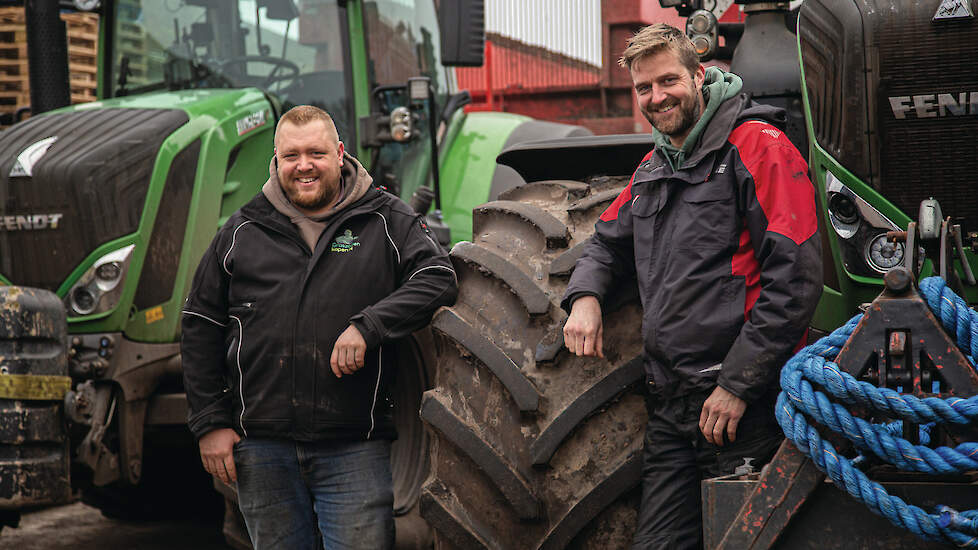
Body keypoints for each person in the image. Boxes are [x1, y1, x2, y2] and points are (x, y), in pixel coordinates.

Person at [561, 24, 822, 549]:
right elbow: (606, 242)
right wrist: (584, 297)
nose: (656, 98)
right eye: (643, 88)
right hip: (673, 410)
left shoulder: (758, 146)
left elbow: (794, 279)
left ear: (699, 75)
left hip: (745, 408)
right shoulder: (654, 167)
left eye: (668, 81)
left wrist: (737, 384)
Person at [181, 105, 457, 549]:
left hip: (352, 445)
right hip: (261, 448)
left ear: (340, 153)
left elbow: (438, 278)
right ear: (275, 159)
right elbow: (200, 325)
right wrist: (210, 423)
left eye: (316, 153)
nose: (304, 166)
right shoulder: (241, 230)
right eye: (291, 156)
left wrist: (370, 326)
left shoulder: (385, 219)